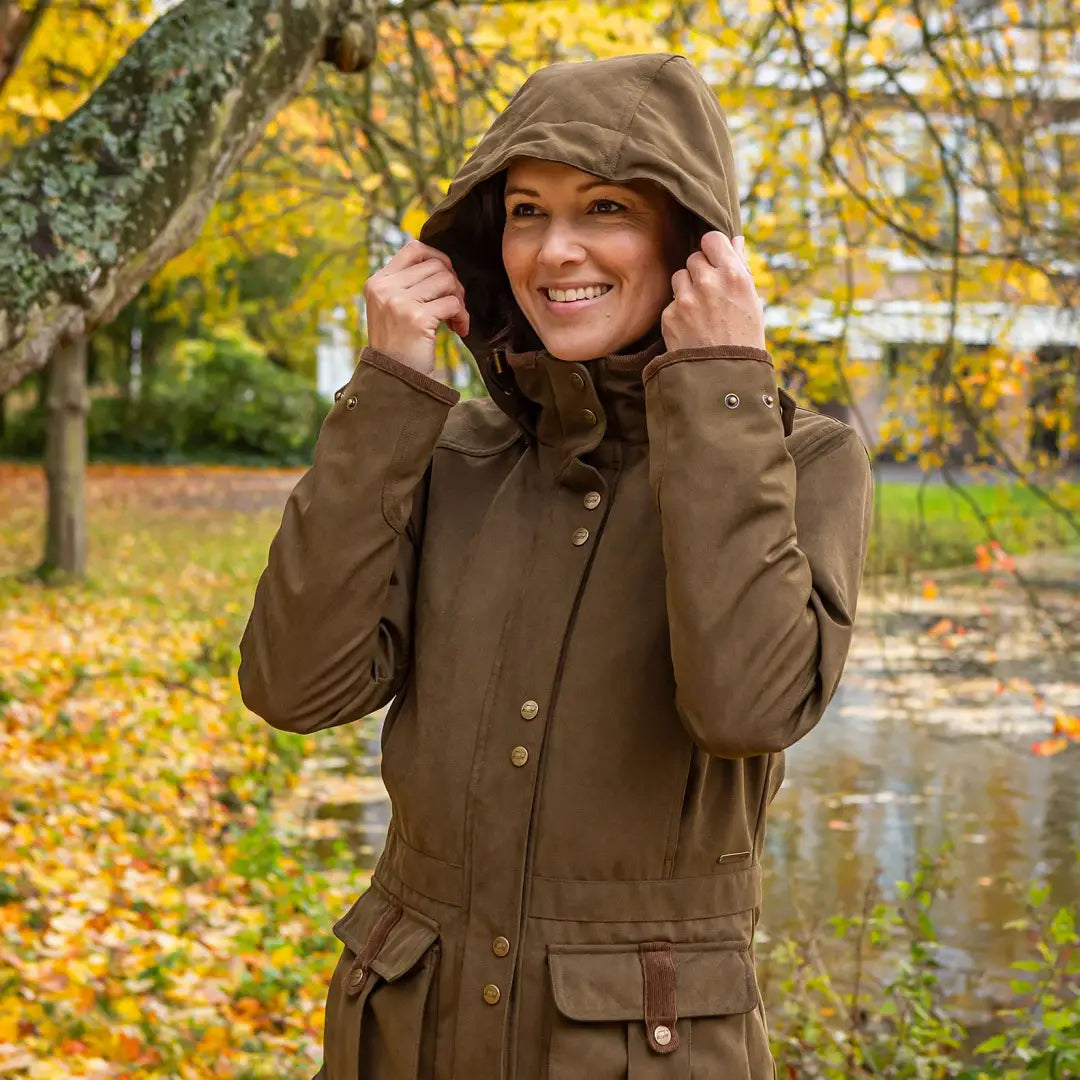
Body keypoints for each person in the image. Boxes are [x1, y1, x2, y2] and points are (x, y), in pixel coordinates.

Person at [238, 51, 873, 1080]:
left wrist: (718, 391)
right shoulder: (450, 454)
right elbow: (293, 685)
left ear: (695, 242)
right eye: (525, 211)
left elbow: (747, 708)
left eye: (606, 206)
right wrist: (391, 393)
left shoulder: (802, 462)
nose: (554, 248)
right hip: (409, 1040)